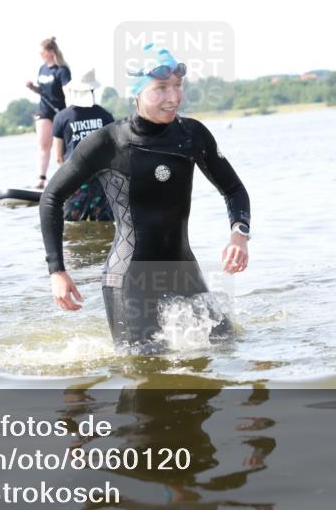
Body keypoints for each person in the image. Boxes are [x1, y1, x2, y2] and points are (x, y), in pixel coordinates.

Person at [40, 44, 251, 353]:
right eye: (161, 88)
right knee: (144, 369)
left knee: (226, 347)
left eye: (178, 86)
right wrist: (57, 271)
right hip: (129, 279)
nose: (174, 97)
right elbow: (51, 197)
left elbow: (233, 189)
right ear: (136, 92)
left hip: (182, 269)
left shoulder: (192, 135)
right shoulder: (108, 142)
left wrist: (239, 234)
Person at [51, 68, 115, 221]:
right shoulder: (105, 116)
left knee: (72, 225)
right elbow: (114, 151)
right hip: (102, 181)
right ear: (93, 90)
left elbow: (58, 156)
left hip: (74, 179)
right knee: (104, 224)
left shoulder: (61, 118)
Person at [26, 36, 71, 189]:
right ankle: (41, 178)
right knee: (43, 145)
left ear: (50, 52)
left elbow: (67, 93)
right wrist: (33, 88)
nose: (40, 55)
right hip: (45, 110)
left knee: (61, 147)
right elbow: (43, 91)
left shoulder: (62, 70)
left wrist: (69, 111)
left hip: (60, 111)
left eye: (42, 52)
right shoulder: (42, 69)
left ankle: (66, 178)